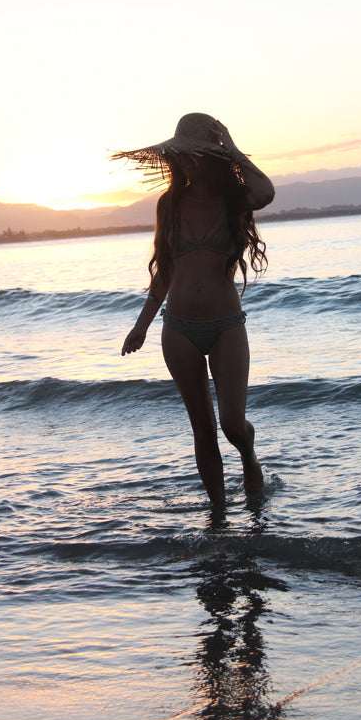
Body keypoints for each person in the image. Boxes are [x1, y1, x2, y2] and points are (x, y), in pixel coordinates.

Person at [113, 113, 275, 506]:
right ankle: (217, 517)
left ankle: (249, 458)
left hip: (226, 326)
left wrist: (234, 151)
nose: (185, 162)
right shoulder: (169, 204)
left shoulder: (234, 200)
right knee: (202, 429)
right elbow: (165, 269)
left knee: (233, 425)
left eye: (195, 154)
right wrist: (142, 326)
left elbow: (265, 192)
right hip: (179, 329)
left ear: (213, 157)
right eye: (180, 155)